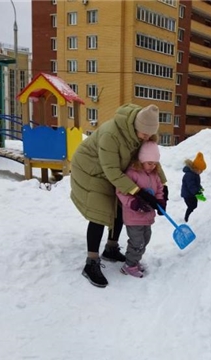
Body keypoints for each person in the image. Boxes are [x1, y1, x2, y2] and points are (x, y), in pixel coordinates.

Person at [70, 104, 169, 288]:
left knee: (120, 207)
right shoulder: (111, 134)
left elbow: (151, 158)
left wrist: (162, 184)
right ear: (135, 127)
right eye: (144, 135)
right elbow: (112, 171)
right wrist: (138, 192)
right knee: (99, 213)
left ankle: (111, 248)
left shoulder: (145, 132)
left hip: (114, 170)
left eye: (149, 136)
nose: (146, 139)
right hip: (90, 169)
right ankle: (91, 262)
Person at [116, 141, 165, 278]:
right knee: (137, 242)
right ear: (142, 160)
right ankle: (129, 265)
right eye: (149, 163)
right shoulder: (132, 173)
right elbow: (121, 191)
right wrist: (134, 203)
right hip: (133, 216)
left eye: (155, 163)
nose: (153, 166)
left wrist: (161, 201)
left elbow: (159, 189)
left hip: (147, 216)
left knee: (146, 239)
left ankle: (135, 261)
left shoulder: (154, 175)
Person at [181, 152, 206, 222]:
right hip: (188, 195)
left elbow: (196, 184)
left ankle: (192, 218)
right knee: (192, 206)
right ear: (196, 168)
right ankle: (187, 218)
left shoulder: (195, 174)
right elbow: (191, 186)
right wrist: (197, 193)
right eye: (201, 170)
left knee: (194, 206)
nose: (201, 172)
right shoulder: (189, 175)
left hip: (192, 194)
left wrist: (200, 188)